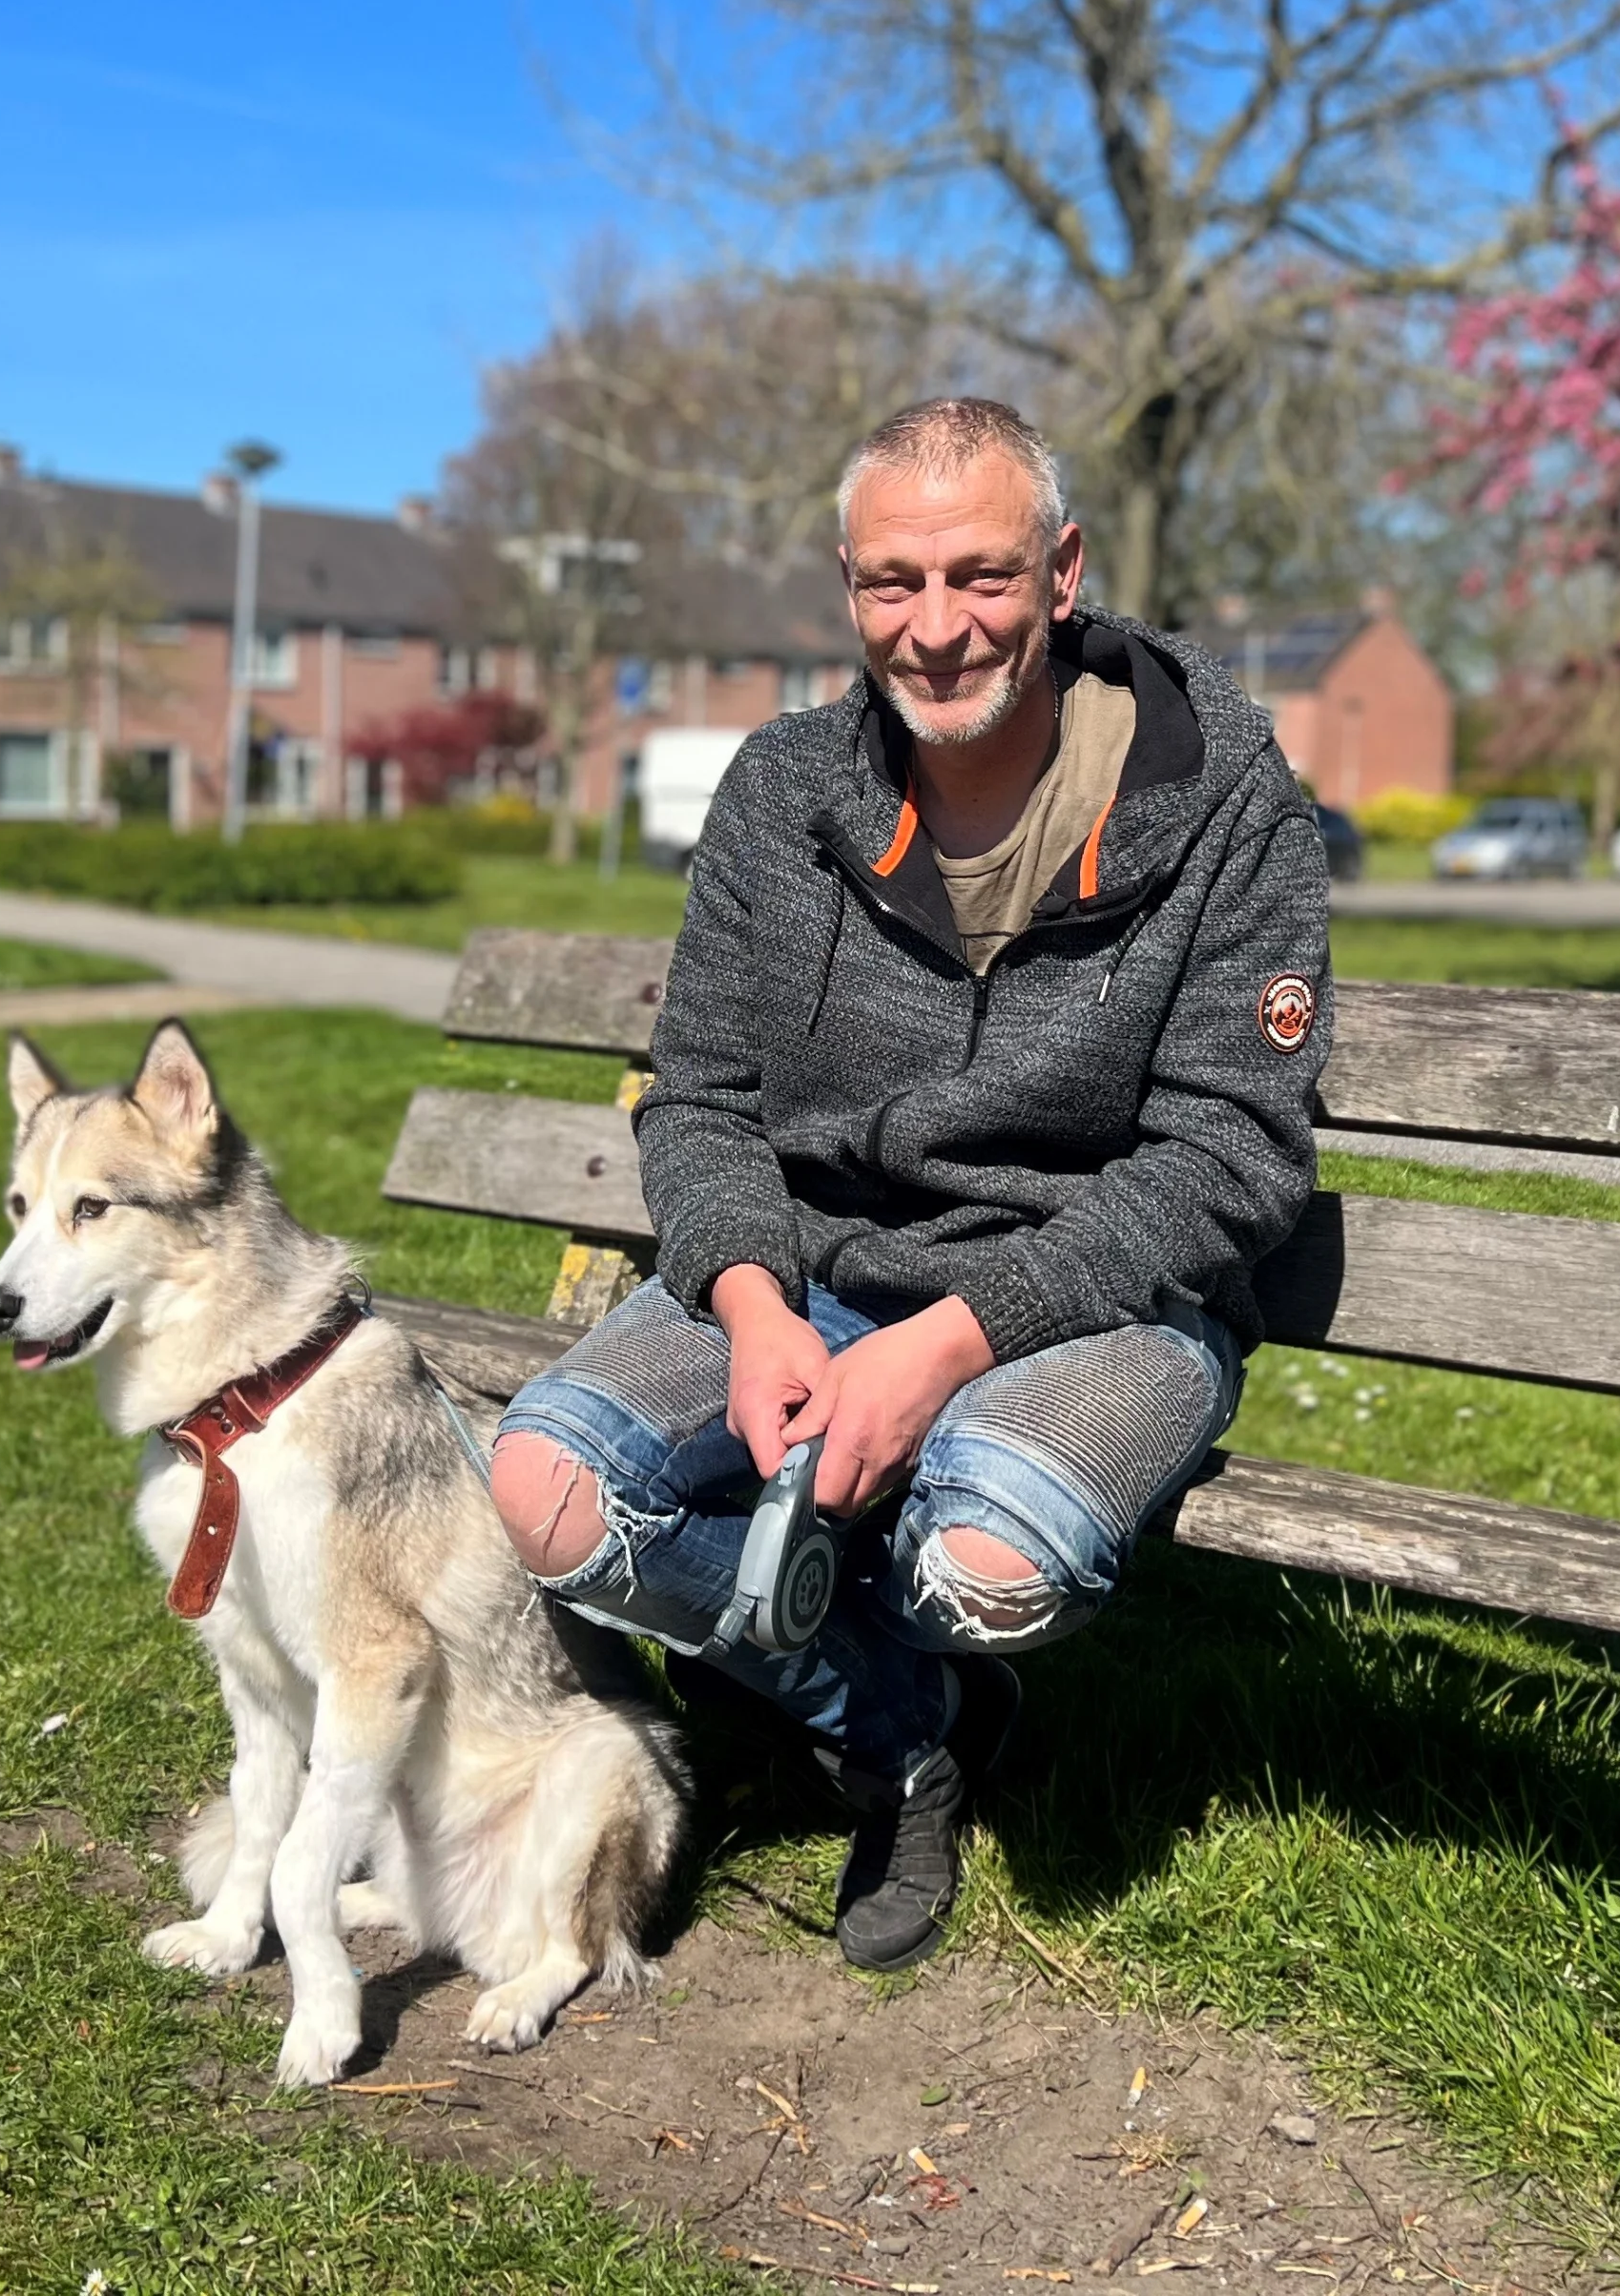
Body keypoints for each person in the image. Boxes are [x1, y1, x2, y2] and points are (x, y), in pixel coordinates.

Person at [488, 396, 1334, 1970]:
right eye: (893, 583)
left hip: (1099, 1302)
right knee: (546, 1498)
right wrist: (751, 1305)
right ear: (847, 584)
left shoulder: (1223, 799)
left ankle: (833, 1655)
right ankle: (900, 1727)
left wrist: (941, 1346)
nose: (937, 629)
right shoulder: (782, 790)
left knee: (984, 1565)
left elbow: (1231, 1159)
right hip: (804, 1267)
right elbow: (706, 1102)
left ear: (1063, 570)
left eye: (981, 577)